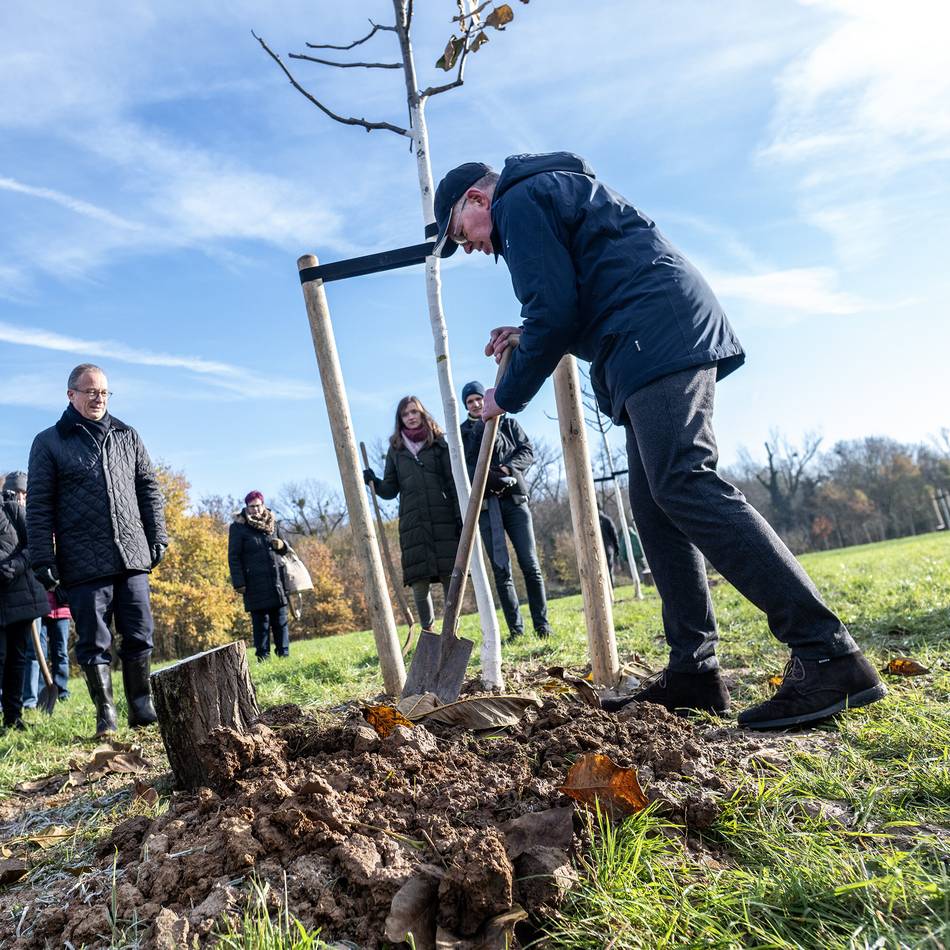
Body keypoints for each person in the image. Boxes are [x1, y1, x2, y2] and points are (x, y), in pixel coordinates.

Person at [431, 152, 886, 729]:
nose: (470, 248)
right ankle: (694, 674)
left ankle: (829, 655)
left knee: (684, 481)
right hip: (647, 332)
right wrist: (530, 333)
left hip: (654, 331)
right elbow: (570, 305)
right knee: (655, 503)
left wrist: (506, 396)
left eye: (459, 234)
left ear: (475, 200)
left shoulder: (519, 200)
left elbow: (554, 307)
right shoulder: (544, 194)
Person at [27, 363, 167, 737]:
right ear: (71, 394)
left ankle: (142, 707)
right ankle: (106, 715)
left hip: (132, 554)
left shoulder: (127, 434)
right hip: (83, 561)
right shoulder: (49, 442)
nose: (98, 398)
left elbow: (148, 489)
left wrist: (158, 536)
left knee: (140, 633)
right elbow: (39, 507)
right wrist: (43, 559)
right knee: (94, 642)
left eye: (104, 392)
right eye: (90, 391)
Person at [459, 380, 551, 640]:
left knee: (530, 565)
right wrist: (489, 475)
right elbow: (467, 465)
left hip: (515, 502)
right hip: (488, 509)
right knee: (501, 570)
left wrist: (508, 469)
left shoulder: (508, 423)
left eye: (478, 398)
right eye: (470, 402)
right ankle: (516, 631)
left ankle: (542, 626)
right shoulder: (464, 433)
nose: (476, 404)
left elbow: (527, 451)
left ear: (486, 399)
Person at [363, 397, 461, 634]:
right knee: (419, 581)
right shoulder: (396, 449)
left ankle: (451, 631)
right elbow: (390, 489)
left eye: (414, 412)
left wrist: (460, 517)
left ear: (422, 413)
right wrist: (373, 481)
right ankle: (428, 632)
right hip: (413, 523)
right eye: (405, 414)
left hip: (443, 519)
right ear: (400, 419)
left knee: (451, 576)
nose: (411, 416)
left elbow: (452, 482)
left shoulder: (438, 444)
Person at [2, 471, 72, 708]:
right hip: (24, 601)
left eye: (25, 492)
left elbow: (37, 550)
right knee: (27, 653)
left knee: (51, 653)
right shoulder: (8, 513)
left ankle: (54, 694)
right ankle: (29, 699)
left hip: (45, 603)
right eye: (17, 491)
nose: (21, 496)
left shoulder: (33, 518)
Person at [1, 489, 51, 731]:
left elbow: (35, 546)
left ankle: (13, 718)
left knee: (16, 659)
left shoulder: (12, 510)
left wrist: (15, 565)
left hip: (17, 598)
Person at [228, 491, 291, 661]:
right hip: (254, 582)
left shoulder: (273, 523)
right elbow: (233, 557)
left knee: (280, 620)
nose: (255, 510)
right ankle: (263, 656)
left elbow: (287, 549)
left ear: (263, 505)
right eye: (251, 507)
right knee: (261, 623)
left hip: (276, 580)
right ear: (246, 507)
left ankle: (283, 654)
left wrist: (282, 545)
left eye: (258, 506)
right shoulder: (238, 527)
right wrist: (239, 582)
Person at [598, 506, 620, 581]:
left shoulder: (588, 521)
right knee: (609, 570)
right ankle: (611, 588)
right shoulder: (607, 520)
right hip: (608, 549)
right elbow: (614, 535)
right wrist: (617, 549)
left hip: (596, 550)